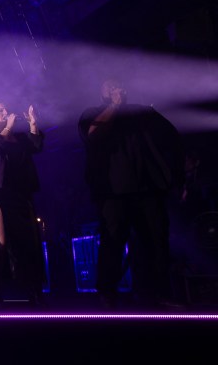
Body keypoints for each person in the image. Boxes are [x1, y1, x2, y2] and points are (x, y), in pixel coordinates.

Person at [78, 79, 184, 308]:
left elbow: (172, 136)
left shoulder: (142, 112)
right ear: (100, 91)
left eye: (117, 84)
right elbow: (93, 134)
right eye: (108, 85)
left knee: (156, 241)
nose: (114, 88)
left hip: (148, 188)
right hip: (113, 192)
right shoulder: (92, 113)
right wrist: (114, 106)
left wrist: (177, 174)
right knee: (113, 241)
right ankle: (108, 293)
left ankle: (159, 293)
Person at [0, 102, 45, 306]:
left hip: (21, 193)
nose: (6, 112)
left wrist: (33, 123)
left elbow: (36, 146)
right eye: (0, 110)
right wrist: (7, 127)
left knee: (29, 242)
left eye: (6, 109)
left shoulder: (19, 137)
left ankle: (35, 291)